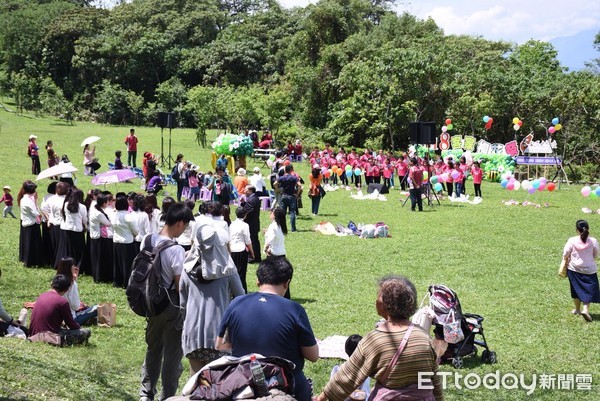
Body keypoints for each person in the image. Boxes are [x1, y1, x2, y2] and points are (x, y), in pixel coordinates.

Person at [315, 275, 444, 401]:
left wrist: (322, 397)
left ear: (386, 304)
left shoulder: (376, 340)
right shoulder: (424, 337)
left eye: (379, 295)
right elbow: (434, 380)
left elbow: (348, 376)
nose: (376, 299)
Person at [216, 257, 319, 401]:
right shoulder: (295, 310)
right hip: (287, 384)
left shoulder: (236, 304)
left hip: (244, 381)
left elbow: (221, 345)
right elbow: (313, 355)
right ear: (287, 283)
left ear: (258, 280)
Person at [138, 202, 194, 401]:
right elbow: (179, 285)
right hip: (171, 306)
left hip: (150, 302)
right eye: (185, 226)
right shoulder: (176, 249)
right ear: (179, 223)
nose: (184, 230)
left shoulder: (147, 239)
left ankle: (146, 392)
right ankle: (167, 396)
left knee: (153, 348)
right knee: (172, 355)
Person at [180, 215, 245, 375]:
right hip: (218, 335)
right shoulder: (227, 270)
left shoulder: (187, 269)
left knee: (196, 382)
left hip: (192, 333)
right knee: (216, 385)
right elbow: (241, 298)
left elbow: (182, 304)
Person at [29, 274, 91, 345]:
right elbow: (71, 324)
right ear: (67, 289)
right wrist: (79, 329)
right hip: (49, 336)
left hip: (33, 333)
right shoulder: (62, 302)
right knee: (86, 332)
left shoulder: (42, 295)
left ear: (52, 284)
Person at [563, 220, 600, 322]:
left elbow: (566, 253)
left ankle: (577, 309)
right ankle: (585, 309)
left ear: (577, 230)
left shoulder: (572, 240)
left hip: (574, 269)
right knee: (588, 290)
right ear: (588, 229)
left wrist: (566, 259)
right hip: (589, 270)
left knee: (575, 289)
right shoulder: (593, 241)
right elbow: (596, 254)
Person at [56, 257, 98, 325]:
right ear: (70, 268)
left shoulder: (55, 281)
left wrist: (74, 279)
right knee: (98, 307)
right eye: (73, 266)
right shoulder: (71, 283)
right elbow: (76, 306)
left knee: (86, 308)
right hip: (71, 320)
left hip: (56, 319)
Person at [111, 193, 138, 288]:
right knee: (127, 264)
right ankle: (126, 282)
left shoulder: (113, 215)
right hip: (127, 242)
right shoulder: (128, 216)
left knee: (117, 263)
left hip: (116, 241)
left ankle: (117, 281)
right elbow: (136, 230)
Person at [18, 180, 44, 267]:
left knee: (27, 243)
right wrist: (36, 204)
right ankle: (32, 261)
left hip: (26, 222)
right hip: (32, 223)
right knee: (32, 244)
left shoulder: (23, 199)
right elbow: (35, 213)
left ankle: (28, 260)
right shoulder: (29, 201)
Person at [88, 193, 113, 283]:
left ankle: (98, 275)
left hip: (95, 236)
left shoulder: (95, 209)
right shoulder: (99, 213)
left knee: (98, 257)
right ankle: (99, 276)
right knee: (99, 258)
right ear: (104, 204)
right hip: (98, 237)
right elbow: (108, 223)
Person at [229, 207, 254, 292]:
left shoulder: (232, 224)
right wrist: (252, 252)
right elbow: (248, 240)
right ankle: (242, 290)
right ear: (245, 215)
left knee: (233, 272)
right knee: (241, 273)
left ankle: (232, 291)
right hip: (241, 250)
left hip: (232, 250)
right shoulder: (245, 225)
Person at [239, 185, 261, 263]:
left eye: (246, 189)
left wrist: (243, 216)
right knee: (254, 240)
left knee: (252, 241)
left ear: (250, 190)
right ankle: (256, 257)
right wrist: (243, 203)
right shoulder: (254, 198)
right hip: (254, 223)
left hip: (251, 224)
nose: (244, 191)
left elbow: (249, 211)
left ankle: (253, 257)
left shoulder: (252, 199)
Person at [274, 164, 299, 232]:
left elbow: (275, 183)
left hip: (284, 196)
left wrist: (278, 190)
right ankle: (293, 228)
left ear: (285, 170)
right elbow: (299, 185)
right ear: (291, 169)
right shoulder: (294, 178)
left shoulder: (282, 177)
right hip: (292, 196)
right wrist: (297, 193)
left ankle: (281, 227)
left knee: (282, 213)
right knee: (292, 212)